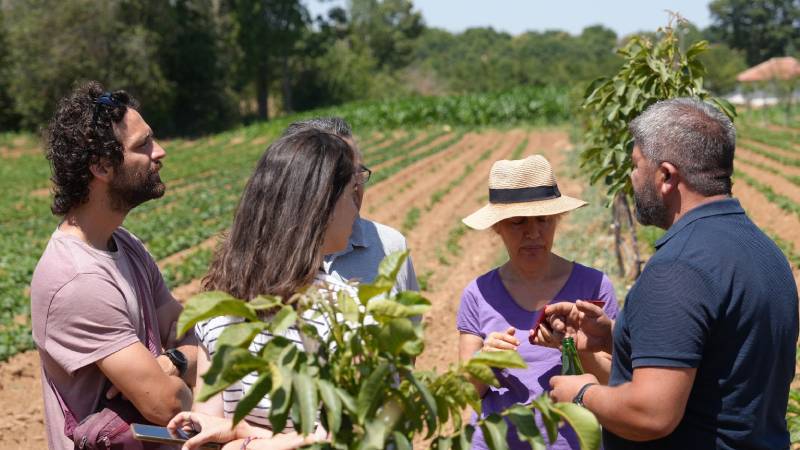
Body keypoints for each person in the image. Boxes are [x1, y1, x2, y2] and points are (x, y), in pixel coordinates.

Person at [543, 98, 799, 449]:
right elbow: (719, 357)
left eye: (636, 165)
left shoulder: (678, 267)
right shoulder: (762, 250)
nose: (631, 178)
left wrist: (582, 391)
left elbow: (651, 414)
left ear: (665, 176)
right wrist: (612, 338)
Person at [30, 81, 198, 450]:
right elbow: (166, 405)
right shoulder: (78, 279)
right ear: (102, 166)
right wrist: (183, 373)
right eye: (143, 145)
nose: (160, 152)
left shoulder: (126, 245)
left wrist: (172, 362)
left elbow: (191, 337)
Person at [173, 128, 360, 450]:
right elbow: (345, 436)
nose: (356, 209)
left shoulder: (222, 306)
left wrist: (242, 437)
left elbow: (208, 432)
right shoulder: (342, 308)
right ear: (322, 208)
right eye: (349, 193)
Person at [457, 155, 619, 450]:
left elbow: (614, 382)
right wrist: (485, 363)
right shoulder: (477, 294)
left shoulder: (593, 286)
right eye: (518, 222)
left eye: (543, 220)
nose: (533, 233)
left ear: (557, 220)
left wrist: (574, 348)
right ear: (497, 227)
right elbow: (468, 394)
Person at [284, 117, 419, 295]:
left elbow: (408, 322)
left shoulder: (390, 246)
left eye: (358, 171)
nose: (355, 184)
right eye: (342, 173)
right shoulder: (252, 260)